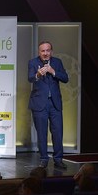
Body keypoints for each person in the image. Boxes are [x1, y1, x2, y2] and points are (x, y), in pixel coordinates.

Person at [28, 41, 69, 169]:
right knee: (41, 133)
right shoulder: (33, 62)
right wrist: (38, 74)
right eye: (43, 51)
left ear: (51, 51)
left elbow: (65, 78)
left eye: (48, 50)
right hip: (39, 103)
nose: (45, 53)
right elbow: (30, 78)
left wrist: (53, 71)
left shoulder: (57, 62)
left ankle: (58, 159)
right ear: (39, 52)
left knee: (58, 132)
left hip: (55, 103)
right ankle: (44, 159)